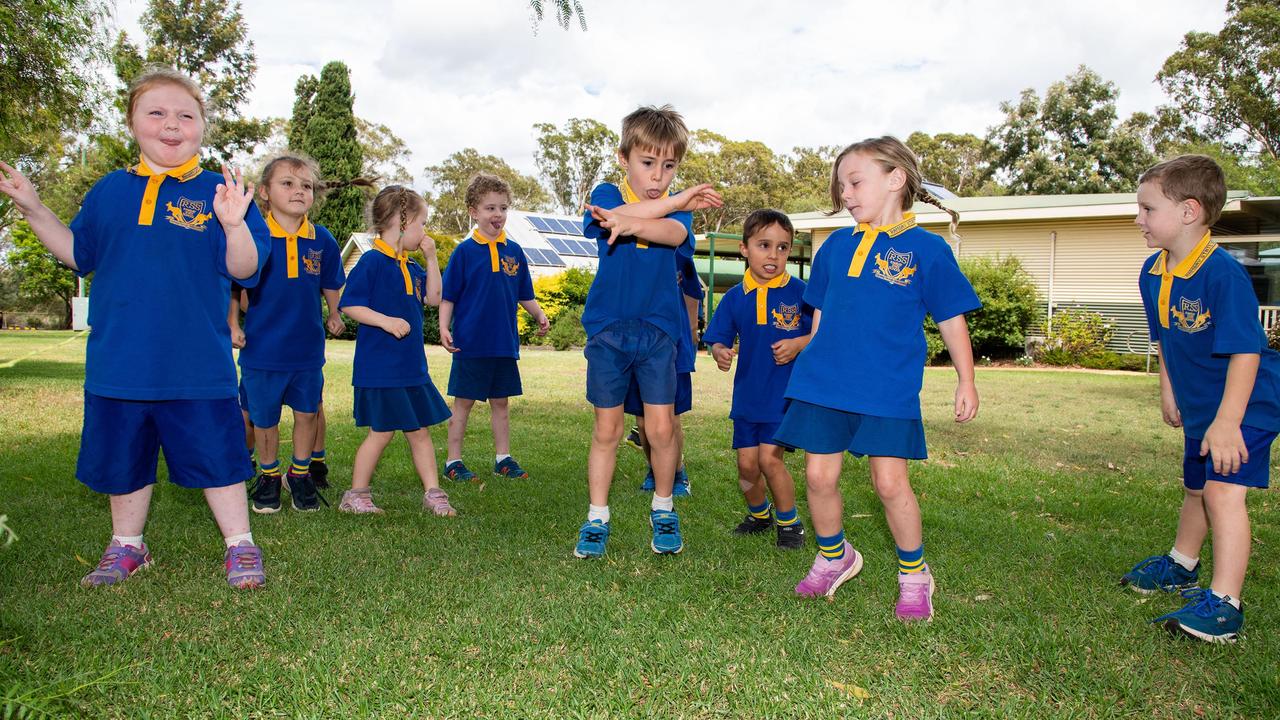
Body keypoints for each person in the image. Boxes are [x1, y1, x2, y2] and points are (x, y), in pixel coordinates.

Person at [0, 67, 272, 589]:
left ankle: (240, 544)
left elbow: (245, 270)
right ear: (132, 122)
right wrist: (34, 209)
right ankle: (128, 545)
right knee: (123, 460)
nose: (172, 124)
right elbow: (80, 255)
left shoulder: (222, 190)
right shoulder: (109, 191)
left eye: (185, 115)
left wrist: (235, 224)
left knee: (219, 457)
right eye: (157, 112)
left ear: (201, 127)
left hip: (197, 363)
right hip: (119, 361)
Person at [775, 136, 980, 621]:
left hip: (887, 386)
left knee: (890, 484)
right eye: (841, 185)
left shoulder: (927, 250)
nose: (845, 193)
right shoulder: (833, 248)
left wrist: (966, 380)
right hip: (825, 384)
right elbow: (821, 320)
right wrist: (811, 362)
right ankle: (834, 556)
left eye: (854, 182)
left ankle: (915, 575)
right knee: (818, 476)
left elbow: (952, 319)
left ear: (895, 179)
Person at [1122, 154, 1280, 643]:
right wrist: (1169, 390)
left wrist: (1229, 422)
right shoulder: (1154, 272)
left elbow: (1247, 352)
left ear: (1189, 211)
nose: (1138, 219)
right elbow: (1165, 338)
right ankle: (1182, 564)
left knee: (1221, 492)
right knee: (1196, 486)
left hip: (1246, 404)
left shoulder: (1222, 276)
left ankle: (1226, 606)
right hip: (1202, 408)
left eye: (1148, 209)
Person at [573, 104, 722, 558]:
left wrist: (641, 220)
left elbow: (671, 236)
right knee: (607, 430)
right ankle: (596, 518)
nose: (659, 176)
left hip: (658, 333)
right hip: (608, 331)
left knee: (660, 431)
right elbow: (607, 218)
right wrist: (668, 204)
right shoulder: (606, 191)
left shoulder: (683, 216)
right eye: (647, 162)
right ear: (624, 158)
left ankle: (664, 508)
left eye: (670, 166)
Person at [337, 186, 455, 516]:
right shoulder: (373, 261)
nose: (424, 232)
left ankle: (433, 492)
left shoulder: (411, 266)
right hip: (382, 368)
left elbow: (433, 298)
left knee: (419, 430)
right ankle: (356, 494)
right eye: (422, 224)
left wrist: (431, 257)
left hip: (410, 367)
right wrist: (386, 321)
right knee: (382, 432)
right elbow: (350, 304)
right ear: (400, 224)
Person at [239, 153, 345, 513]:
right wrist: (232, 325)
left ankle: (299, 474)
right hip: (262, 350)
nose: (299, 191)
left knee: (307, 413)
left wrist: (334, 312)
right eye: (287, 183)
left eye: (306, 185)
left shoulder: (322, 239)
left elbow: (331, 281)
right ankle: (268, 476)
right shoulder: (252, 235)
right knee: (264, 418)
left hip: (306, 350)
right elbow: (233, 286)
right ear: (265, 192)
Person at [702, 209, 812, 549]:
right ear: (744, 248)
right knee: (747, 466)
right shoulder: (736, 297)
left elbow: (825, 335)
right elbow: (718, 339)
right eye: (764, 245)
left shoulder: (801, 293)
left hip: (782, 397)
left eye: (783, 248)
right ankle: (759, 515)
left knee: (769, 459)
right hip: (748, 397)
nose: (774, 255)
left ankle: (790, 523)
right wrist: (720, 351)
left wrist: (798, 344)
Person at [439, 173, 549, 483]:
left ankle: (503, 458)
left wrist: (539, 314)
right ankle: (453, 462)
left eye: (503, 208)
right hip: (470, 344)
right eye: (489, 208)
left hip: (503, 343)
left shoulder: (514, 251)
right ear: (473, 211)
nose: (497, 215)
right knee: (464, 403)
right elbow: (449, 296)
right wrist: (444, 327)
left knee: (501, 403)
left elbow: (524, 293)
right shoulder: (464, 252)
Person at [631, 251, 701, 496]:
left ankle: (678, 473)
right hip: (637, 344)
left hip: (674, 346)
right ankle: (654, 469)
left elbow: (693, 293)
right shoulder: (629, 251)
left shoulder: (679, 252)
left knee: (671, 418)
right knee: (642, 420)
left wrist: (691, 331)